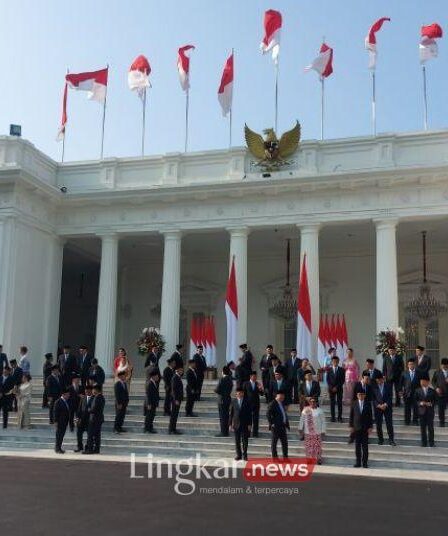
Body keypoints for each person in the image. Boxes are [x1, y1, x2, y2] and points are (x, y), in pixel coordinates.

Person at [298, 397, 326, 464]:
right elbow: (302, 420)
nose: (313, 403)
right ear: (309, 402)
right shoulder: (305, 410)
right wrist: (300, 428)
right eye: (311, 402)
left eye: (314, 402)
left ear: (316, 403)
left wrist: (323, 431)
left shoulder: (320, 411)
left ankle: (318, 459)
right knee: (309, 446)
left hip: (317, 431)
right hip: (308, 431)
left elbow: (323, 421)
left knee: (317, 446)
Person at [349, 391, 373, 468]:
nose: (361, 396)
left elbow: (370, 416)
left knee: (365, 447)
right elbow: (351, 415)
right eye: (359, 394)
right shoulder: (354, 403)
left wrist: (370, 427)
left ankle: (365, 463)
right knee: (357, 446)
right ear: (357, 395)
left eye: (362, 394)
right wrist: (351, 426)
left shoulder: (368, 404)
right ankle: (358, 462)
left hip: (365, 428)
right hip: (356, 428)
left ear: (364, 395)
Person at [372, 373, 396, 446]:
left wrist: (385, 404)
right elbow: (373, 398)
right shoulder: (374, 387)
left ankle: (391, 440)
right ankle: (380, 439)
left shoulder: (388, 386)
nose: (379, 381)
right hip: (378, 408)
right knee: (378, 424)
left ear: (383, 379)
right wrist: (378, 405)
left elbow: (390, 396)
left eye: (381, 379)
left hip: (387, 407)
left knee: (389, 424)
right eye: (378, 379)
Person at [230, 387, 251, 461]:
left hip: (245, 424)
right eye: (237, 393)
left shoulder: (247, 401)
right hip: (236, 424)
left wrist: (249, 424)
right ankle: (238, 455)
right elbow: (231, 413)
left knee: (245, 440)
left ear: (243, 393)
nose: (239, 394)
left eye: (240, 393)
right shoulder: (234, 401)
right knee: (237, 440)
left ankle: (245, 455)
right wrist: (230, 424)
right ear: (236, 394)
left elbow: (249, 414)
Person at [267, 390, 290, 459]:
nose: (283, 397)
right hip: (276, 427)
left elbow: (284, 414)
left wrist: (287, 424)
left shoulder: (281, 403)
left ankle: (285, 457)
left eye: (283, 395)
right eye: (281, 395)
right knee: (274, 443)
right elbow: (268, 414)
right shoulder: (273, 403)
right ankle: (275, 457)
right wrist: (272, 423)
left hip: (282, 426)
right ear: (277, 395)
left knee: (285, 443)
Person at [83, 384, 105, 454]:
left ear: (96, 390)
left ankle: (90, 449)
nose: (92, 391)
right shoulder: (100, 397)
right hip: (98, 419)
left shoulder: (98, 398)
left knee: (90, 435)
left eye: (93, 389)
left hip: (94, 419)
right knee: (97, 435)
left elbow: (94, 409)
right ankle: (96, 449)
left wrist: (89, 409)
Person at [415, 375, 436, 447]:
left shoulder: (432, 391)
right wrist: (421, 403)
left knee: (430, 428)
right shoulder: (417, 390)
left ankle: (431, 443)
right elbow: (415, 401)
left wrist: (430, 404)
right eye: (420, 381)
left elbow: (435, 401)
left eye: (423, 381)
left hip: (430, 412)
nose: (421, 382)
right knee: (422, 428)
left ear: (427, 382)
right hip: (421, 412)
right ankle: (424, 443)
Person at [399, 358, 420, 426]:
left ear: (414, 365)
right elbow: (400, 383)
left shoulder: (418, 373)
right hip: (407, 393)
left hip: (416, 394)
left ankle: (415, 421)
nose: (411, 365)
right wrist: (400, 391)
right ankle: (407, 421)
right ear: (407, 365)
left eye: (412, 364)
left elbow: (421, 384)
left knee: (416, 408)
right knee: (407, 408)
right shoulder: (404, 373)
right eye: (409, 364)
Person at [242, 371, 263, 437]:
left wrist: (261, 389)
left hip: (256, 404)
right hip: (248, 404)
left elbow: (262, 394)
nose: (255, 378)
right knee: (248, 419)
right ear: (250, 376)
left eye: (256, 376)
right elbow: (243, 394)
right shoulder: (246, 383)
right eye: (254, 376)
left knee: (256, 419)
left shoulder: (257, 384)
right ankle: (247, 432)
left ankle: (255, 433)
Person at [74, 384, 93, 452]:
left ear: (91, 391)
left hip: (90, 420)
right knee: (79, 433)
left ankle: (87, 447)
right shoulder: (83, 398)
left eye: (88, 390)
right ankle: (80, 447)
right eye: (85, 390)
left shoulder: (94, 398)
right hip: (81, 420)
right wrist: (77, 418)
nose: (86, 392)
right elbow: (79, 409)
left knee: (89, 435)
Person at [215, 365, 233, 437]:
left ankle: (223, 432)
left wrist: (215, 390)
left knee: (222, 416)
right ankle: (226, 432)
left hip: (222, 399)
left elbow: (217, 389)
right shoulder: (230, 379)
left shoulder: (222, 379)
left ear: (223, 371)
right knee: (226, 416)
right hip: (228, 399)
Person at [327, 356, 345, 422]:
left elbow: (343, 380)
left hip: (339, 388)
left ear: (338, 362)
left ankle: (340, 417)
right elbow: (328, 380)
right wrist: (331, 387)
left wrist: (336, 387)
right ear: (332, 362)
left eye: (336, 361)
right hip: (331, 389)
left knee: (339, 403)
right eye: (334, 361)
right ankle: (333, 417)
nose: (335, 363)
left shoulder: (342, 370)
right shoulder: (329, 370)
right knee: (332, 403)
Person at [54, 387, 71, 454]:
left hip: (64, 422)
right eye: (67, 394)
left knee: (61, 436)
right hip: (60, 422)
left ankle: (59, 447)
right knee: (59, 436)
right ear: (64, 394)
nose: (69, 395)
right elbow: (55, 412)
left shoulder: (66, 402)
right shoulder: (58, 402)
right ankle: (57, 448)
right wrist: (56, 421)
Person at [432, 357, 448, 427]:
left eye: (445, 365)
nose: (444, 366)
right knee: (441, 409)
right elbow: (433, 381)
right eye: (443, 365)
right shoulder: (437, 372)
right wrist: (436, 388)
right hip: (440, 393)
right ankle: (442, 422)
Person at [169, 366, 184, 434]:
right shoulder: (175, 377)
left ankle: (173, 429)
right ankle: (172, 429)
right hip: (176, 400)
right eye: (181, 370)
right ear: (177, 370)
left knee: (175, 415)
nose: (182, 371)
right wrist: (176, 399)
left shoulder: (178, 377)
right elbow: (174, 390)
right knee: (174, 415)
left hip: (178, 399)